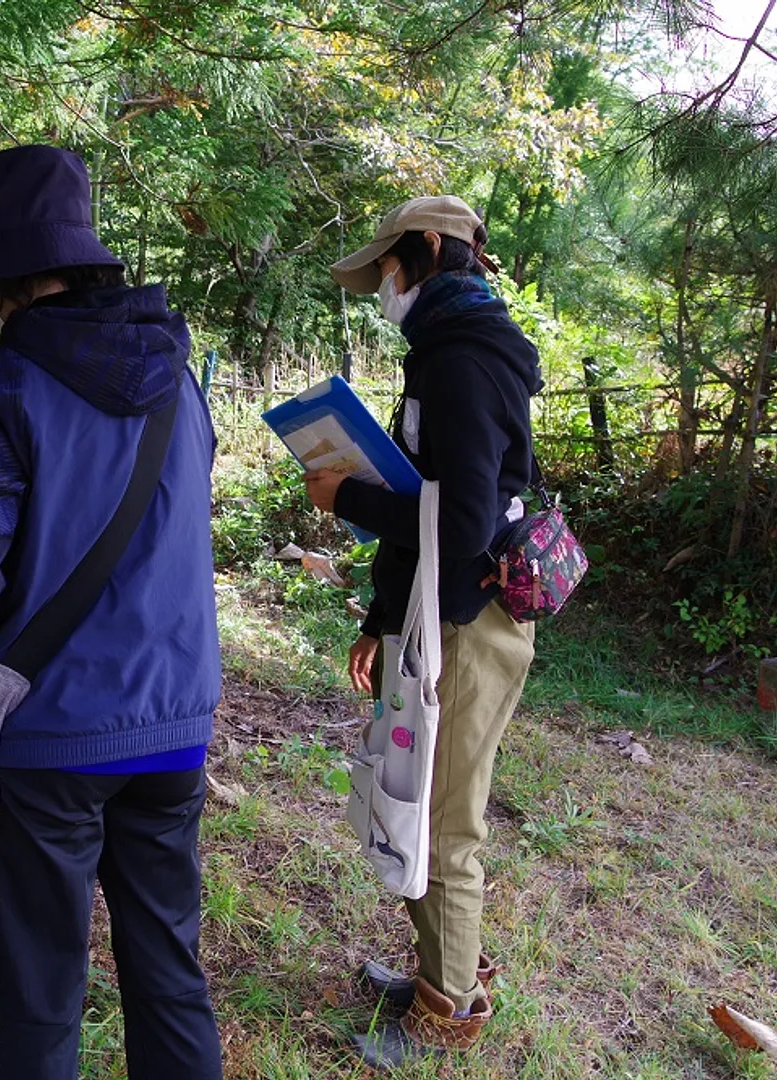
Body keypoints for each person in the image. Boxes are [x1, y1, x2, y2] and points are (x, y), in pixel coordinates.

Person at [0, 145, 224, 1080]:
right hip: (175, 721)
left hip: (52, 735)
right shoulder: (179, 378)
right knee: (170, 966)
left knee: (45, 983)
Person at [304, 195, 542, 1069]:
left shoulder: (464, 361)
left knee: (444, 824)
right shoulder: (444, 348)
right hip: (438, 610)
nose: (384, 288)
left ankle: (453, 1008)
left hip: (469, 620)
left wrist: (349, 500)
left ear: (432, 250)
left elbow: (465, 520)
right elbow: (434, 495)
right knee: (416, 798)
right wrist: (380, 615)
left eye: (389, 270)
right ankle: (440, 969)